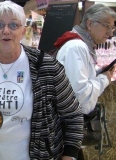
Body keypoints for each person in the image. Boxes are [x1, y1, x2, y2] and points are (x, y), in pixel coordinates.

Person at [0, 1, 83, 160]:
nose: (6, 31)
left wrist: (70, 155)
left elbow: (72, 115)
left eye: (13, 25)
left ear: (23, 31)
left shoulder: (46, 66)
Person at [55, 4, 116, 159]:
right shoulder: (77, 47)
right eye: (107, 26)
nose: (110, 32)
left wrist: (97, 73)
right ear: (90, 24)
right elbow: (79, 94)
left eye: (112, 27)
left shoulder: (80, 45)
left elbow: (77, 80)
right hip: (67, 129)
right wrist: (105, 78)